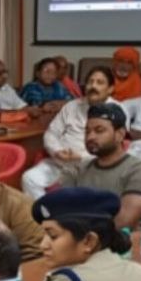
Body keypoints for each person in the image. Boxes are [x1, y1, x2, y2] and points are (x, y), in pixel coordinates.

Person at [21, 66, 122, 199]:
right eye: (90, 82)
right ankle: (44, 211)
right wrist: (56, 151)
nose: (93, 86)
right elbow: (51, 133)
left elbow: (113, 148)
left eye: (100, 82)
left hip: (95, 165)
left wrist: (81, 157)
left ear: (110, 89)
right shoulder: (72, 106)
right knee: (29, 178)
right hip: (62, 162)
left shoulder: (117, 110)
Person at [57, 103, 141, 230]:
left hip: (123, 241)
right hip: (82, 239)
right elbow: (62, 212)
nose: (90, 137)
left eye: (99, 130)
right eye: (87, 131)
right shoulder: (78, 169)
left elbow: (122, 222)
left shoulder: (140, 171)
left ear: (120, 134)